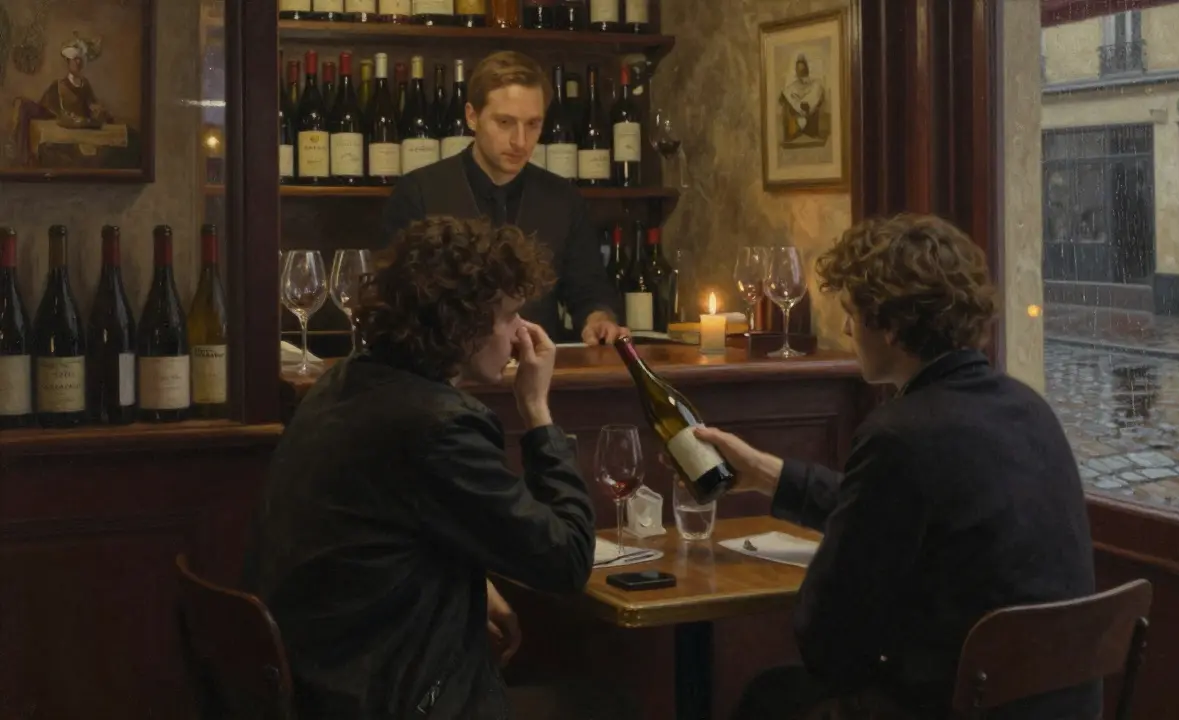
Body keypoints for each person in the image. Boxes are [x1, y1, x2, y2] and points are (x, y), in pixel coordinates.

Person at [700, 214, 1101, 719]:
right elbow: (901, 509)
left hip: (959, 709)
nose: (845, 328)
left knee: (770, 698)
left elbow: (825, 639)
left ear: (888, 324)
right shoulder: (1027, 407)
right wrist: (767, 474)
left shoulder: (899, 434)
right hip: (1061, 707)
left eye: (851, 312)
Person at [242, 217, 623, 718]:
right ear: (460, 323)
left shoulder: (344, 384)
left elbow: (381, 536)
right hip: (396, 698)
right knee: (606, 705)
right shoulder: (438, 426)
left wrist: (475, 587)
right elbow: (569, 560)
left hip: (330, 682)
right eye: (509, 316)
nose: (520, 336)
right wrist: (536, 411)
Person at [382, 50, 624, 345]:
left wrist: (598, 319)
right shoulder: (418, 193)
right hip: (444, 378)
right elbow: (398, 304)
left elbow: (589, 291)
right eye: (505, 123)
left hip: (540, 371)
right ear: (472, 116)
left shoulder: (564, 199)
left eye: (533, 124)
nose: (520, 142)